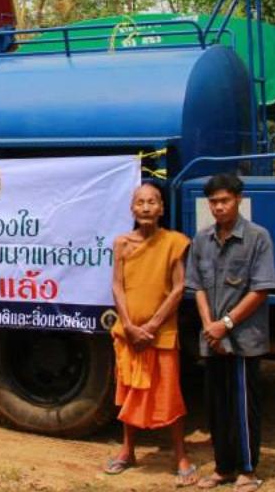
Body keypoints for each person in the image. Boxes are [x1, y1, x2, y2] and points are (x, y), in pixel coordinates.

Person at [185, 173, 275, 492]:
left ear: (238, 199)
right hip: (213, 341)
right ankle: (223, 467)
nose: (219, 207)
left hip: (242, 340)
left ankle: (247, 470)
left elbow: (261, 289)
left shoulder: (257, 238)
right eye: (213, 202)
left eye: (224, 200)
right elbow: (196, 286)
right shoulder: (202, 240)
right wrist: (209, 326)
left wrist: (224, 324)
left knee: (243, 406)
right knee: (216, 406)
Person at [105, 181, 199, 487]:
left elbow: (178, 288)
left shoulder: (174, 242)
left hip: (162, 333)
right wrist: (130, 326)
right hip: (129, 333)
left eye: (152, 202)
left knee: (169, 394)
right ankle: (127, 451)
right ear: (132, 208)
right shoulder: (121, 243)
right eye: (140, 202)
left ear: (161, 208)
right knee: (129, 391)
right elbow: (117, 286)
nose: (146, 207)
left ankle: (180, 455)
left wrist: (152, 326)